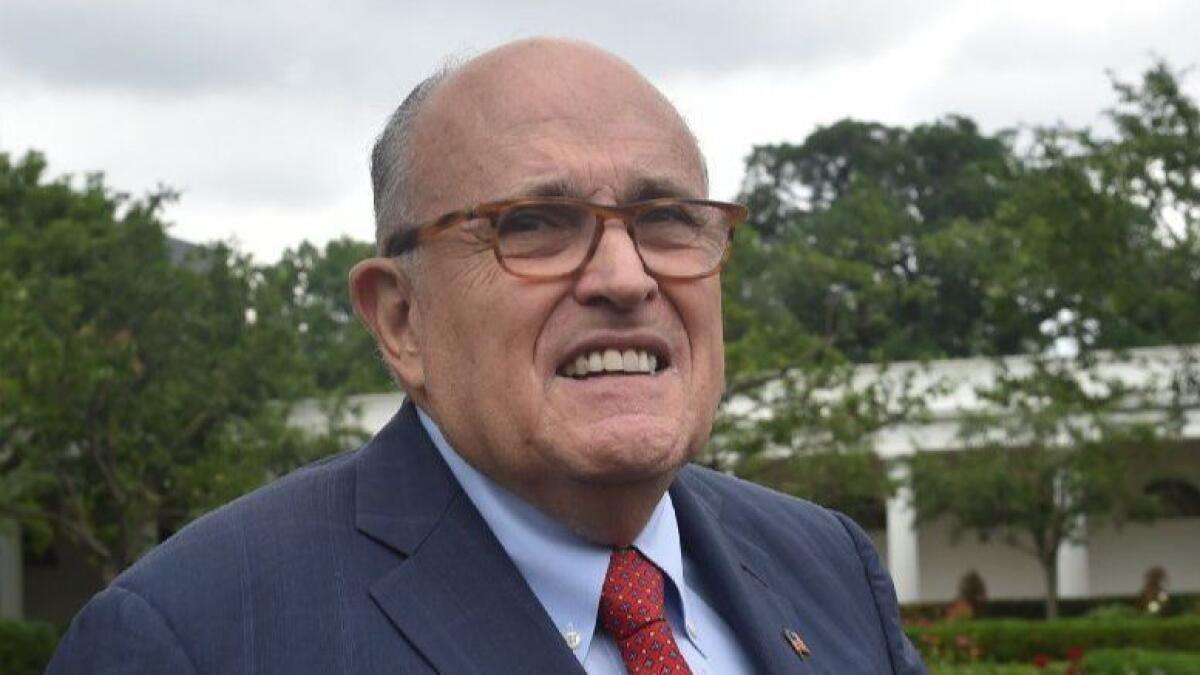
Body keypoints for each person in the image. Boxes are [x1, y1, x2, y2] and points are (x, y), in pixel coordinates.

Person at [48, 38, 925, 674]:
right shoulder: (194, 638)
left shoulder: (831, 567)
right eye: (533, 225)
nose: (626, 277)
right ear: (400, 319)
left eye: (666, 219)